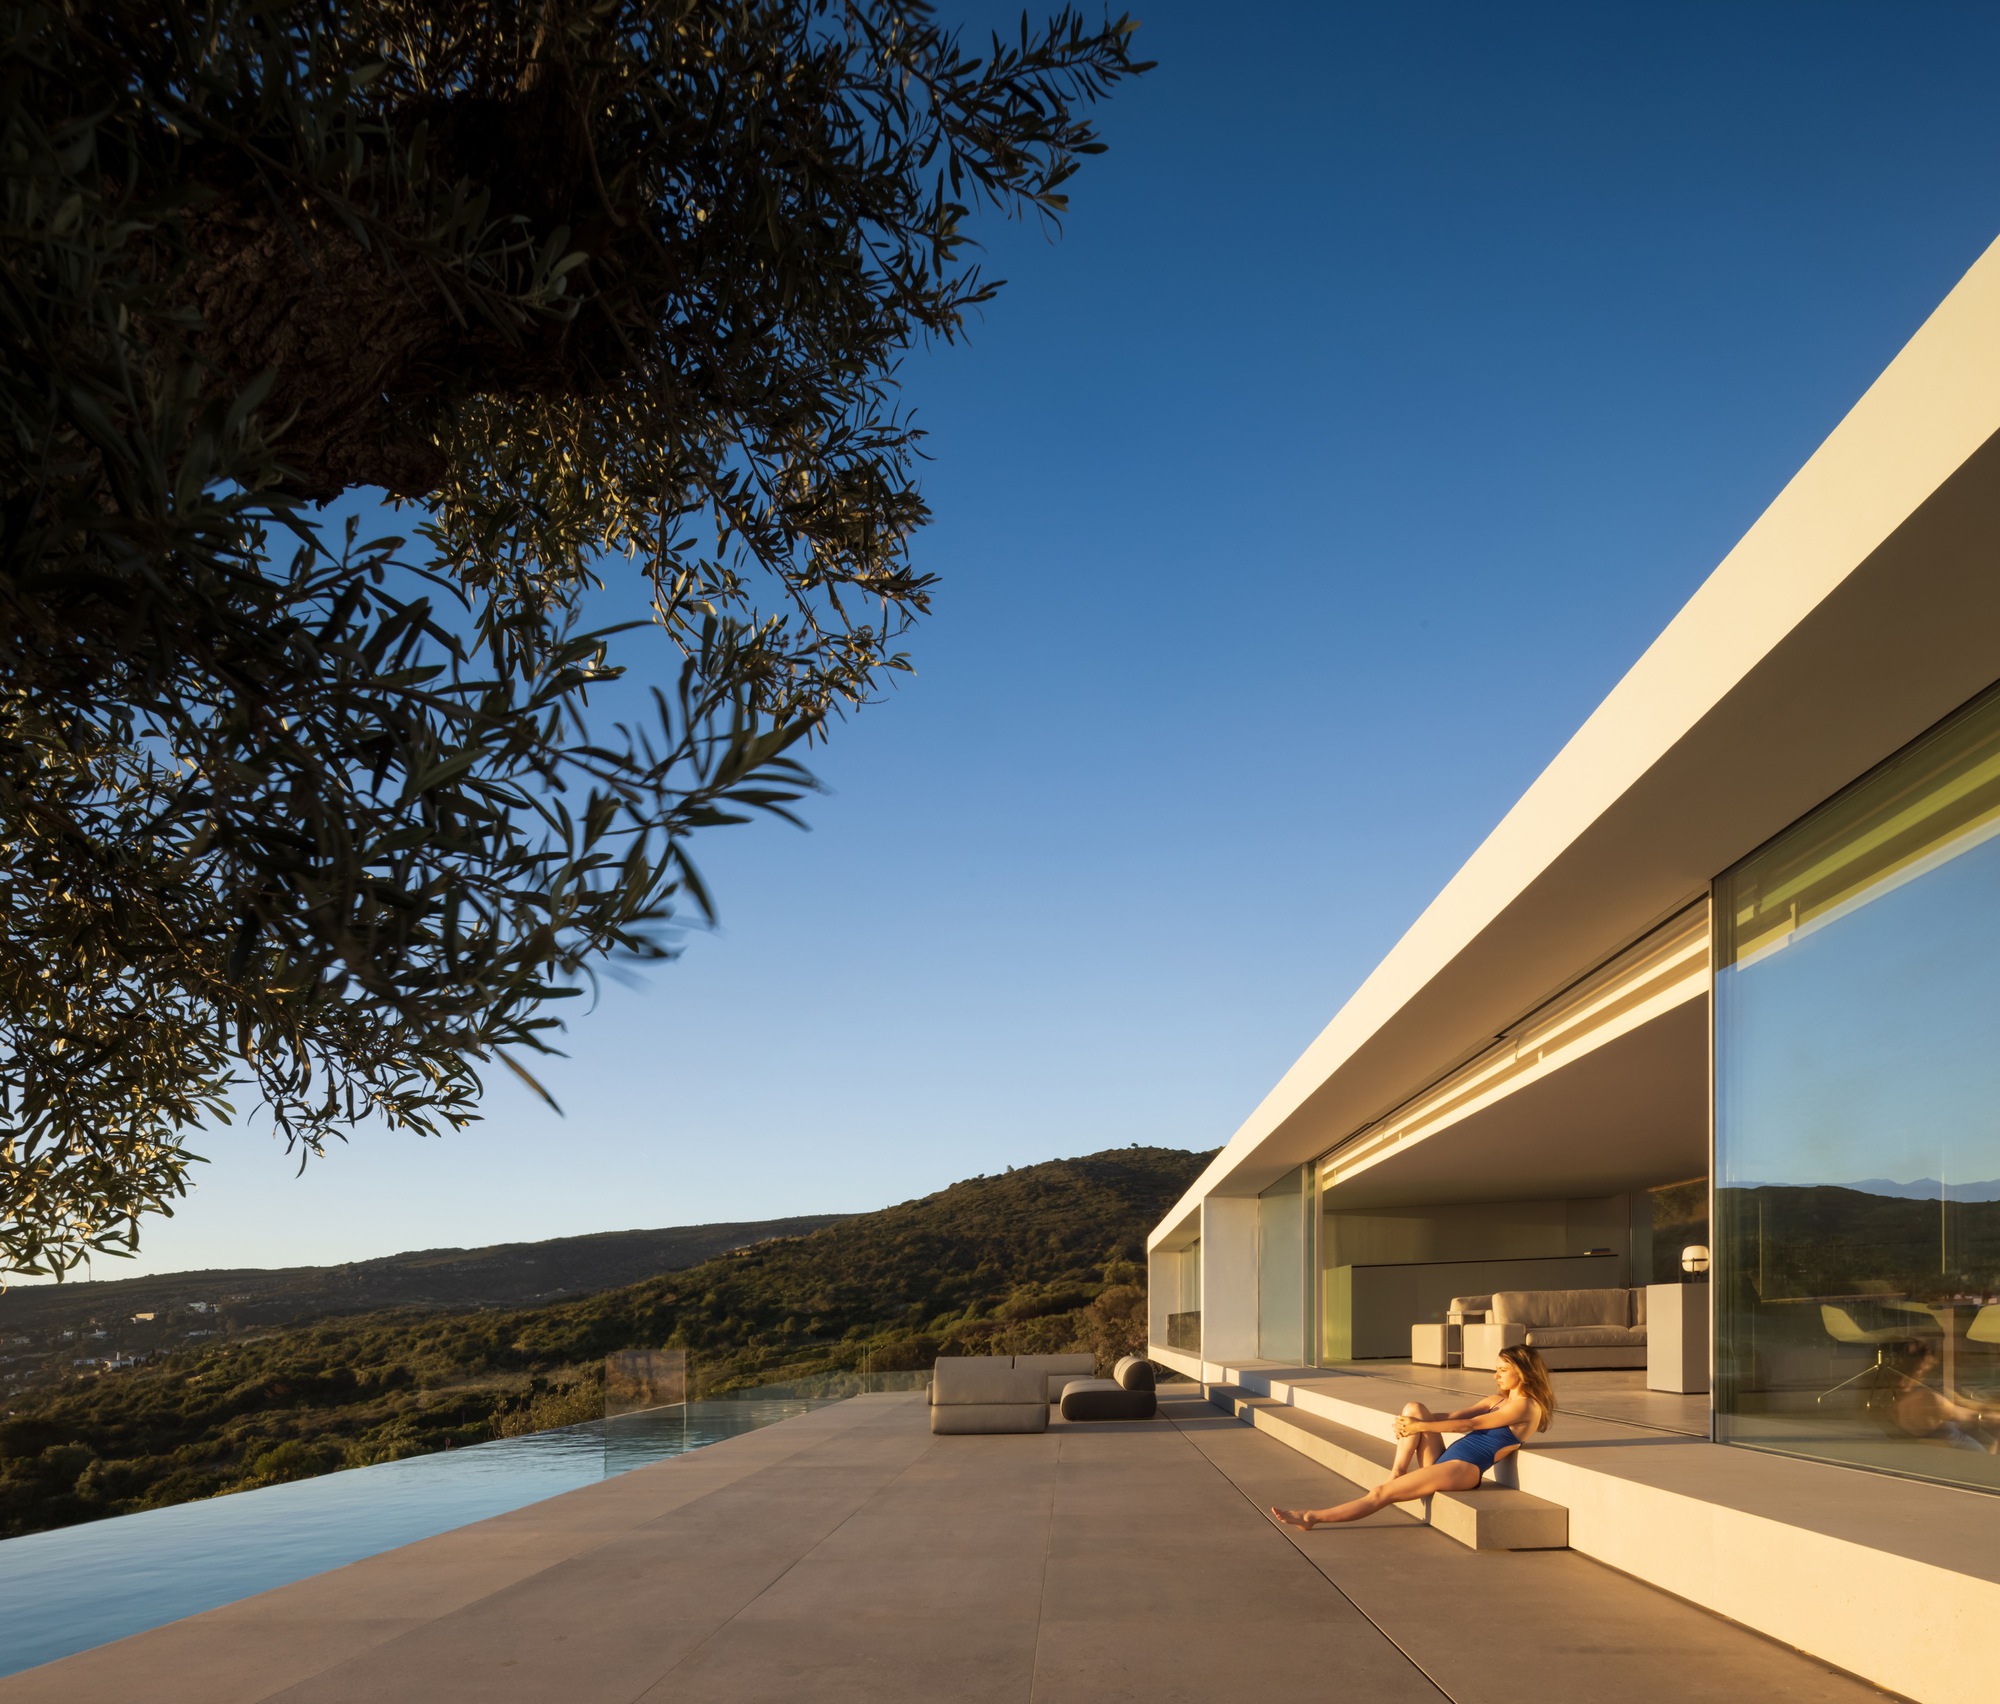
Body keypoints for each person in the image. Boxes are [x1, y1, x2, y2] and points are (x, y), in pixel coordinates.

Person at [1270, 1345, 1556, 1530]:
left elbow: (1467, 1424)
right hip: (1446, 1460)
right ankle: (1397, 1471)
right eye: (1496, 1369)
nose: (1496, 1375)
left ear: (1523, 1371)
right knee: (1414, 1407)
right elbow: (1454, 1415)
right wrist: (1413, 1421)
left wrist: (1419, 1429)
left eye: (1503, 1370)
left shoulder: (1526, 1406)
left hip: (1464, 1470)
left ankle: (1312, 1518)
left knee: (1381, 1494)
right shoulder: (1498, 1399)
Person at [1876, 1339, 1999, 1454]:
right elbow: (1965, 1414)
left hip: (1931, 1443)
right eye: (1927, 1364)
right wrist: (1989, 1415)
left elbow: (1959, 1401)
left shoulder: (1893, 1394)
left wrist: (1988, 1407)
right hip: (1945, 1451)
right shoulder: (1924, 1399)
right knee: (1989, 1440)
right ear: (1917, 1366)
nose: (1932, 1365)